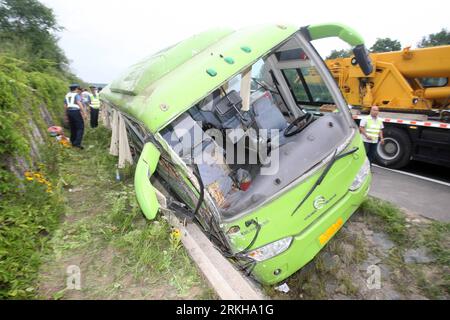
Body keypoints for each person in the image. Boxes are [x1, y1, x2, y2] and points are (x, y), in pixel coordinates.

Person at [64, 84, 87, 149]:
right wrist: (84, 113)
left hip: (69, 112)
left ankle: (72, 141)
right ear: (76, 89)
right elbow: (79, 103)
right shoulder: (76, 95)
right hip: (75, 112)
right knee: (80, 127)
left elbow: (65, 105)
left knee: (73, 127)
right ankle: (77, 143)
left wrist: (65, 115)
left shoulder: (67, 95)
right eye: (78, 89)